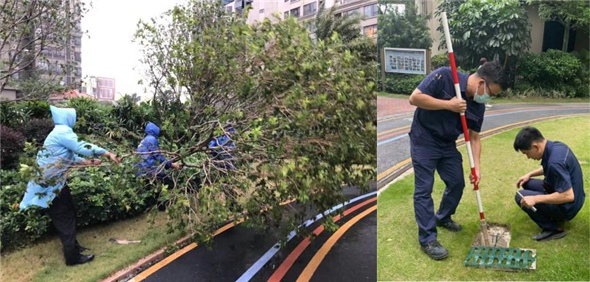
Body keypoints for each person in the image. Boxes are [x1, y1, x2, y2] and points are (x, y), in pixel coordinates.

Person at [408, 60, 503, 260]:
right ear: (481, 83)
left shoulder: (478, 106)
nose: (488, 98)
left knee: (457, 182)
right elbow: (414, 98)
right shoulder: (445, 76)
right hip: (423, 138)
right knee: (424, 188)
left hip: (447, 143)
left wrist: (476, 167)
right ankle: (428, 239)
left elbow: (475, 138)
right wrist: (448, 105)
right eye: (491, 93)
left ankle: (443, 217)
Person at [19, 105, 120, 266]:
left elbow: (67, 157)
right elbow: (82, 147)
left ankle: (74, 247)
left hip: (55, 185)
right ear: (67, 118)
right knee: (65, 219)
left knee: (69, 214)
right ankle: (72, 258)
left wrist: (88, 162)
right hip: (52, 188)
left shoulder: (58, 133)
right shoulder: (62, 132)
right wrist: (107, 153)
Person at [513, 126, 585, 241]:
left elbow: (568, 196)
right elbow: (549, 168)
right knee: (527, 184)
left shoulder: (555, 162)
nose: (528, 157)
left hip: (568, 207)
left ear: (535, 147)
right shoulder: (556, 147)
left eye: (527, 153)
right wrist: (529, 175)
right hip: (577, 197)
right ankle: (548, 212)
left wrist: (535, 199)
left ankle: (552, 229)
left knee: (520, 196)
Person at [135, 122, 181, 210]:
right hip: (147, 169)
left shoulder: (144, 140)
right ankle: (163, 205)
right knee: (165, 179)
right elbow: (158, 156)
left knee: (156, 182)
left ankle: (157, 204)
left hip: (138, 170)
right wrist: (171, 164)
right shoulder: (152, 139)